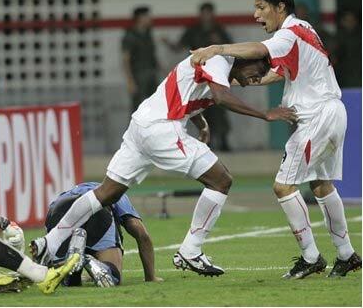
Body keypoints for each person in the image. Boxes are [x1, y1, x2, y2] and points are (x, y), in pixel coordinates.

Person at [30, 50, 297, 277]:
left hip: (142, 125)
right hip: (162, 129)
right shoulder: (219, 60)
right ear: (245, 58)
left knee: (106, 193)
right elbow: (220, 97)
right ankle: (191, 251)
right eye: (259, 69)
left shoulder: (219, 68)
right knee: (221, 180)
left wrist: (200, 121)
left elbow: (190, 91)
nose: (257, 78)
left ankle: (49, 244)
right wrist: (265, 113)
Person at [189, 0, 362, 279]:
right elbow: (279, 72)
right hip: (333, 111)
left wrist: (216, 49)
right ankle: (346, 255)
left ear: (280, 7)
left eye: (260, 7)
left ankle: (311, 258)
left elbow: (257, 49)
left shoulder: (289, 33)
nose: (256, 15)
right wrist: (229, 83)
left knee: (283, 186)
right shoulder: (304, 29)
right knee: (322, 185)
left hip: (317, 116)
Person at [44, 182, 161, 287]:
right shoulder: (115, 192)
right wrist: (151, 277)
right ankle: (87, 260)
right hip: (98, 210)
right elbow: (141, 233)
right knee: (113, 276)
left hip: (59, 211)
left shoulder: (62, 196)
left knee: (64, 277)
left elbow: (47, 253)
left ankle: (73, 268)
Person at [163, 2, 234, 151]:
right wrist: (167, 43)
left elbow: (231, 48)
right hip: (197, 77)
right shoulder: (193, 30)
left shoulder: (218, 29)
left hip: (216, 76)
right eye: (204, 13)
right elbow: (180, 46)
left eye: (209, 13)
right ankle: (206, 141)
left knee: (219, 109)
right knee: (200, 109)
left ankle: (223, 141)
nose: (207, 16)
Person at [122, 6, 159, 112]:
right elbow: (126, 59)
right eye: (147, 16)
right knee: (137, 106)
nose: (150, 19)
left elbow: (152, 55)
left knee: (155, 103)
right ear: (140, 18)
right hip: (138, 75)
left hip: (151, 72)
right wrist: (130, 81)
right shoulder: (130, 36)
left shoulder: (148, 34)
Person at [333, 10, 361, 88]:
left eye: (352, 20)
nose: (350, 23)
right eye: (347, 20)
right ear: (342, 21)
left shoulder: (360, 36)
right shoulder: (337, 37)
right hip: (343, 76)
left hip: (358, 73)